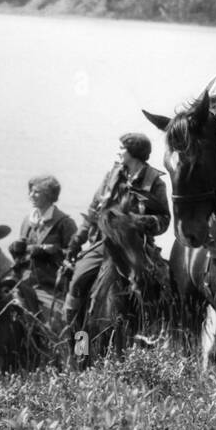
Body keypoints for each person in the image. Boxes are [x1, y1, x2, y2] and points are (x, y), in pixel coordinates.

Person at [60, 133, 170, 339]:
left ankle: (154, 334)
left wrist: (137, 222)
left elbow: (164, 219)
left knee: (156, 284)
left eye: (122, 148)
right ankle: (77, 344)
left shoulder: (154, 182)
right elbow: (93, 212)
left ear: (134, 153)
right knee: (77, 283)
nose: (118, 152)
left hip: (136, 244)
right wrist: (76, 242)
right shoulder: (111, 175)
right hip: (103, 243)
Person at [10, 175, 78, 292]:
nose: (31, 195)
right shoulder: (28, 221)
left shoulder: (65, 223)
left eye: (36, 192)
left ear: (49, 195)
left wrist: (49, 251)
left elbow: (74, 257)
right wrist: (16, 249)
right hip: (23, 280)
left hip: (50, 285)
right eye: (31, 191)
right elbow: (22, 257)